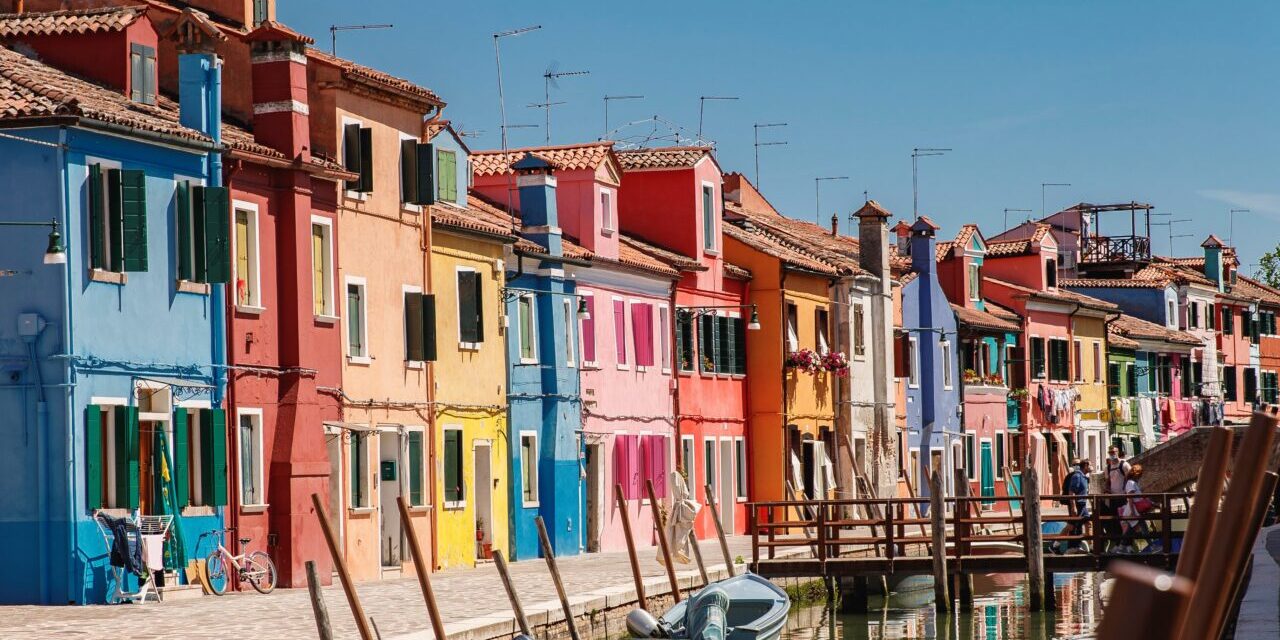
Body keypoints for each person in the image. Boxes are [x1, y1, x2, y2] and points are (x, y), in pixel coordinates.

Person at [1052, 458, 1092, 555]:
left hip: (1082, 505)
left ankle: (1091, 547)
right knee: (1071, 526)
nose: (1092, 466)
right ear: (1086, 466)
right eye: (1090, 464)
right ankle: (1055, 545)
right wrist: (1073, 506)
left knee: (1088, 523)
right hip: (1077, 505)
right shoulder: (1076, 476)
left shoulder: (1085, 477)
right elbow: (1071, 492)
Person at [1117, 464, 1159, 554]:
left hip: (1136, 510)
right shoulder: (1131, 483)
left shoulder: (1134, 483)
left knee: (1138, 529)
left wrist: (1152, 504)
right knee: (1135, 529)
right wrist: (1132, 512)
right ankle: (1121, 547)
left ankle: (1121, 547)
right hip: (1134, 510)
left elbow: (1139, 497)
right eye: (1140, 474)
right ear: (1137, 474)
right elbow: (1131, 498)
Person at [1101, 446, 1131, 551]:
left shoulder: (1124, 465)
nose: (1112, 454)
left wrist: (1127, 492)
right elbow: (1107, 481)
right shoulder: (1107, 468)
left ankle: (1127, 544)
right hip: (1113, 498)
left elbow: (1130, 479)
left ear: (1118, 452)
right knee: (1115, 522)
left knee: (1125, 521)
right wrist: (1106, 490)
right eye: (1110, 452)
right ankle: (1119, 544)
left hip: (1123, 498)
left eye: (1113, 452)